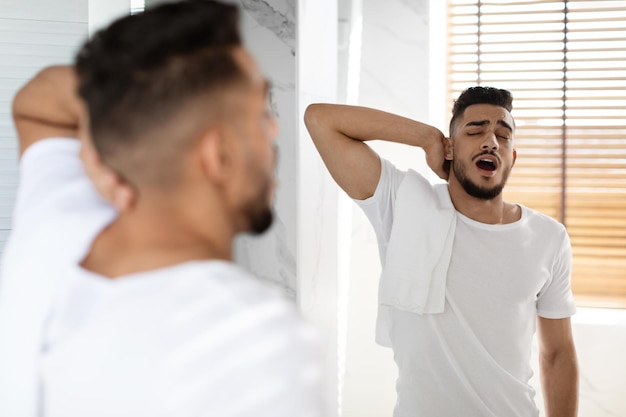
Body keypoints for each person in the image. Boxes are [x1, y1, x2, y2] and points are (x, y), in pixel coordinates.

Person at [0, 1, 322, 416]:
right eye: (262, 113)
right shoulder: (244, 336)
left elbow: (36, 104)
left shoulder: (56, 230)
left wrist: (125, 122)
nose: (274, 129)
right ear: (218, 155)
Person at [305, 87, 578, 417]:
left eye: (503, 136)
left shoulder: (548, 237)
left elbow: (558, 353)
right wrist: (426, 137)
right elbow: (320, 120)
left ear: (512, 158)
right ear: (450, 148)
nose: (491, 140)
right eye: (475, 130)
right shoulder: (401, 203)